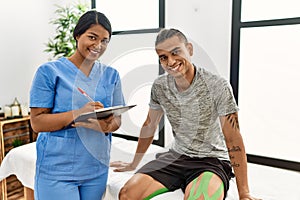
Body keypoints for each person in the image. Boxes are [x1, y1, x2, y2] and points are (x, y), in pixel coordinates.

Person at [110, 28, 260, 200]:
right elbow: (150, 125)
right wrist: (134, 163)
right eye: (164, 57)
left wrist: (244, 193)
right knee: (127, 194)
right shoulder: (160, 87)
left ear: (189, 49)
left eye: (176, 52)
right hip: (176, 157)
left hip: (211, 160)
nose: (171, 61)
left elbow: (233, 139)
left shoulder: (218, 85)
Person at [30, 10, 125, 200]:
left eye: (104, 40)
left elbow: (117, 120)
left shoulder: (111, 75)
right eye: (92, 37)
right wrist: (78, 113)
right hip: (58, 171)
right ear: (77, 35)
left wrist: (107, 125)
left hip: (96, 169)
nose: (98, 45)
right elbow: (38, 123)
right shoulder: (49, 72)